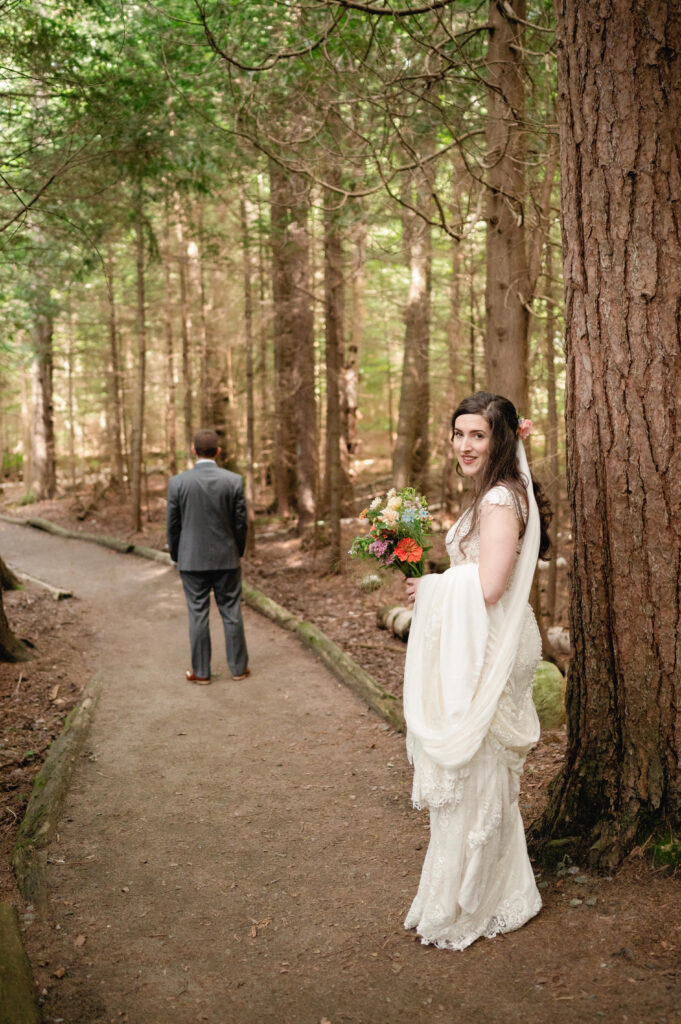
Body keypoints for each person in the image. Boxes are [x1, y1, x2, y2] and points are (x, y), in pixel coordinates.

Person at [402, 392, 552, 950]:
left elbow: (488, 587)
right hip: (490, 639)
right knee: (479, 773)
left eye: (478, 436)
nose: (465, 445)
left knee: (478, 770)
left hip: (494, 646)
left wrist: (432, 588)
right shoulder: (504, 490)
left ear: (499, 440)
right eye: (459, 434)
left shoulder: (497, 500)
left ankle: (477, 900)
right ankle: (494, 888)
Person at [166, 429, 249, 685]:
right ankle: (238, 669)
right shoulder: (233, 480)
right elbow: (241, 523)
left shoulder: (178, 482)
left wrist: (176, 553)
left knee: (198, 613)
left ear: (193, 451)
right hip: (226, 558)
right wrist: (238, 550)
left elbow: (173, 524)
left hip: (191, 560)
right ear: (218, 452)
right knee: (231, 611)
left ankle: (201, 672)